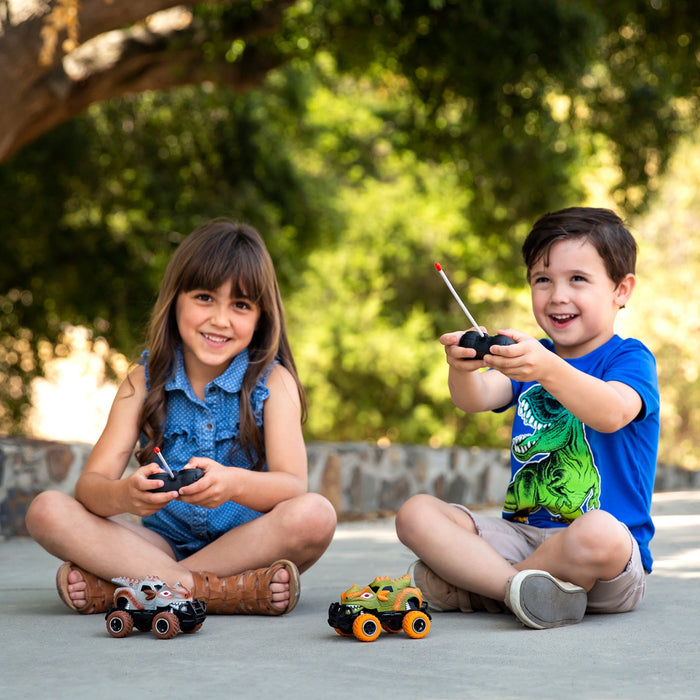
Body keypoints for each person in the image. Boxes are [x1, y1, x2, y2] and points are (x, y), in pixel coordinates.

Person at [26, 219, 337, 616]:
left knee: (315, 515)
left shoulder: (272, 382)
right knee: (47, 510)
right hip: (159, 544)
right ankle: (215, 592)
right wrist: (125, 495)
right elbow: (90, 487)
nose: (220, 319)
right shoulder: (142, 382)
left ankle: (135, 587)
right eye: (205, 297)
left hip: (248, 545)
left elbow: (293, 486)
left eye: (240, 305)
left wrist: (233, 484)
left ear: (261, 316)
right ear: (176, 299)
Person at [396, 207, 660, 629]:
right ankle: (521, 590)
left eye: (578, 279)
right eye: (543, 279)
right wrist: (461, 368)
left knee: (600, 532)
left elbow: (611, 413)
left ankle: (488, 588)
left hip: (601, 558)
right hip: (521, 537)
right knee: (415, 513)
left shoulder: (628, 358)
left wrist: (548, 369)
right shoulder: (533, 357)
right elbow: (476, 398)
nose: (557, 295)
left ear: (621, 290)